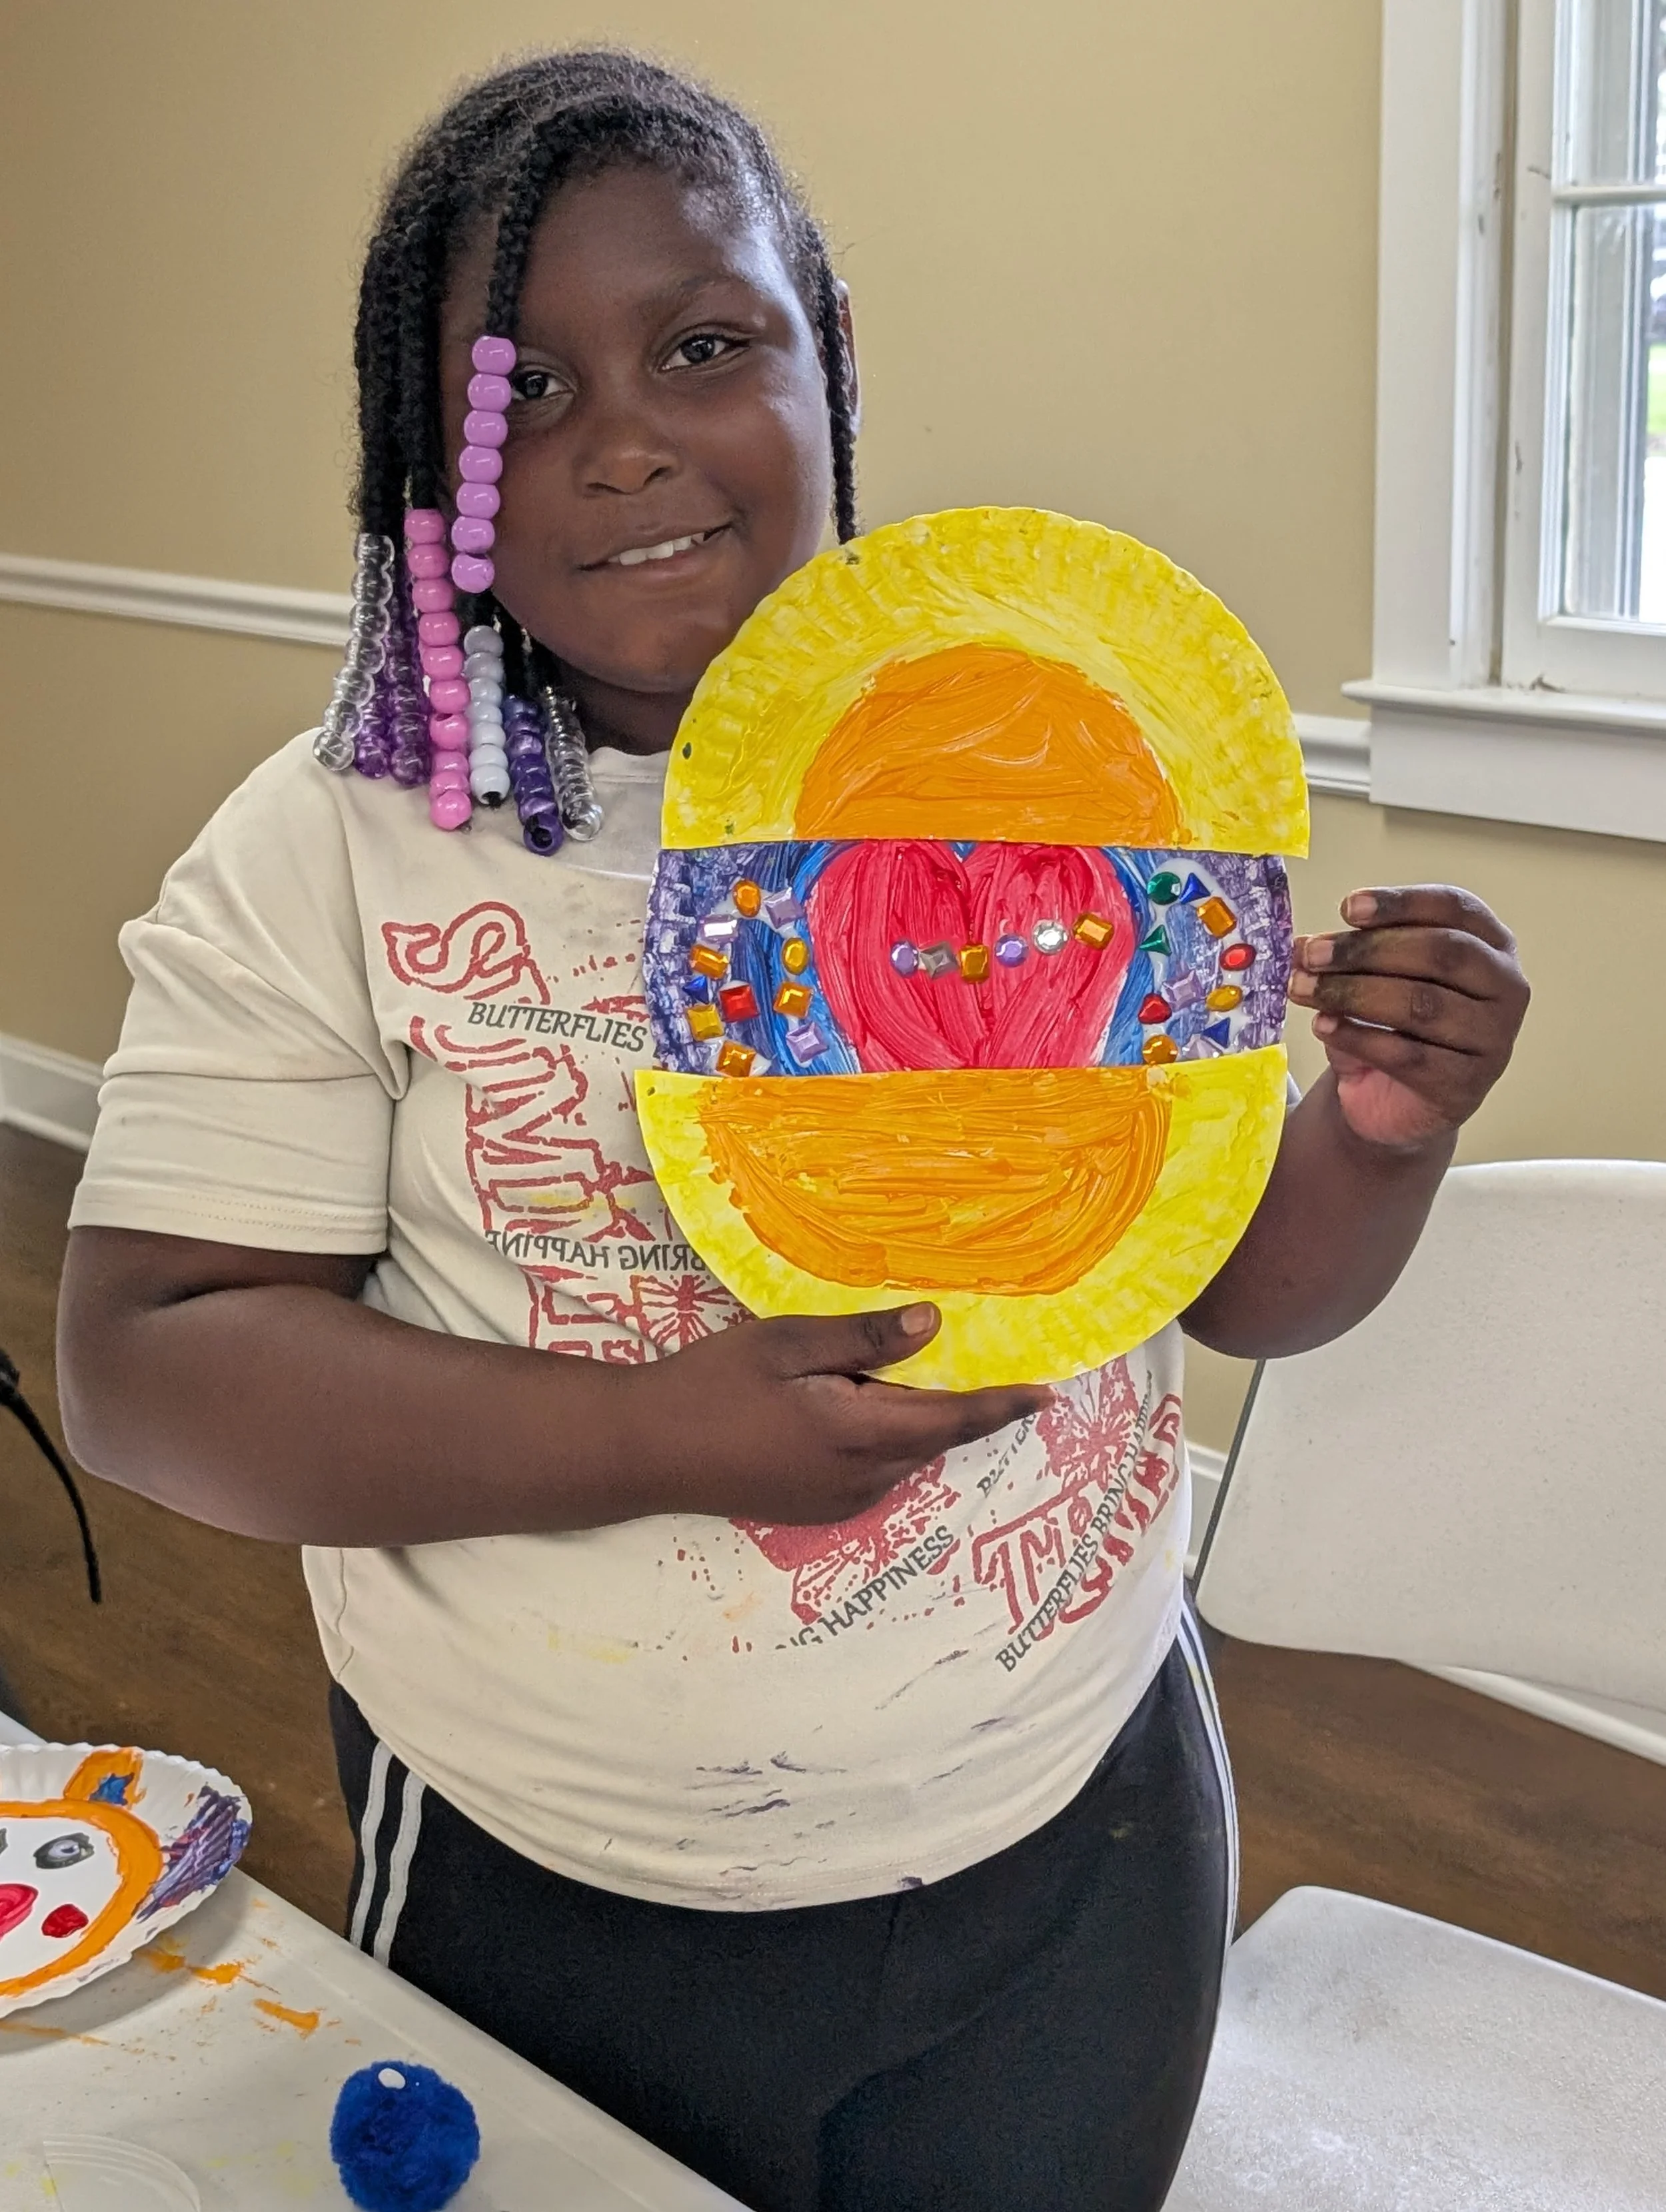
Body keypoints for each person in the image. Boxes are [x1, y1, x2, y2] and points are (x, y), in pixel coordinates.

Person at [56, 49, 1529, 2212]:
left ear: (830, 366)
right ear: (426, 469)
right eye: (523, 394)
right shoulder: (336, 855)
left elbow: (1237, 1290)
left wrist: (1378, 1135)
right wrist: (656, 1435)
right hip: (554, 1874)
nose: (628, 434)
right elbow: (147, 1359)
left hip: (1075, 1828)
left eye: (705, 346)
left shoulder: (1042, 752)